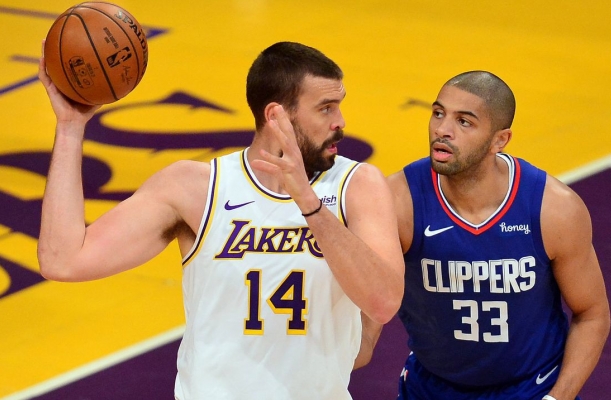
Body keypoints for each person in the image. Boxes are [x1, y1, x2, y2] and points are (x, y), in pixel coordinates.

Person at [36, 41, 404, 399]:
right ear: (276, 116)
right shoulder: (195, 187)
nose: (340, 122)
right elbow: (62, 260)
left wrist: (308, 203)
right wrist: (70, 127)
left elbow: (384, 302)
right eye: (326, 109)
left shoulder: (356, 186)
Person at [383, 71, 611, 400]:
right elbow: (364, 302)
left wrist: (557, 398)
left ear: (499, 140)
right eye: (438, 113)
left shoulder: (554, 209)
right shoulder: (398, 201)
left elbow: (592, 313)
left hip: (531, 387)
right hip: (431, 387)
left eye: (464, 121)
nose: (442, 130)